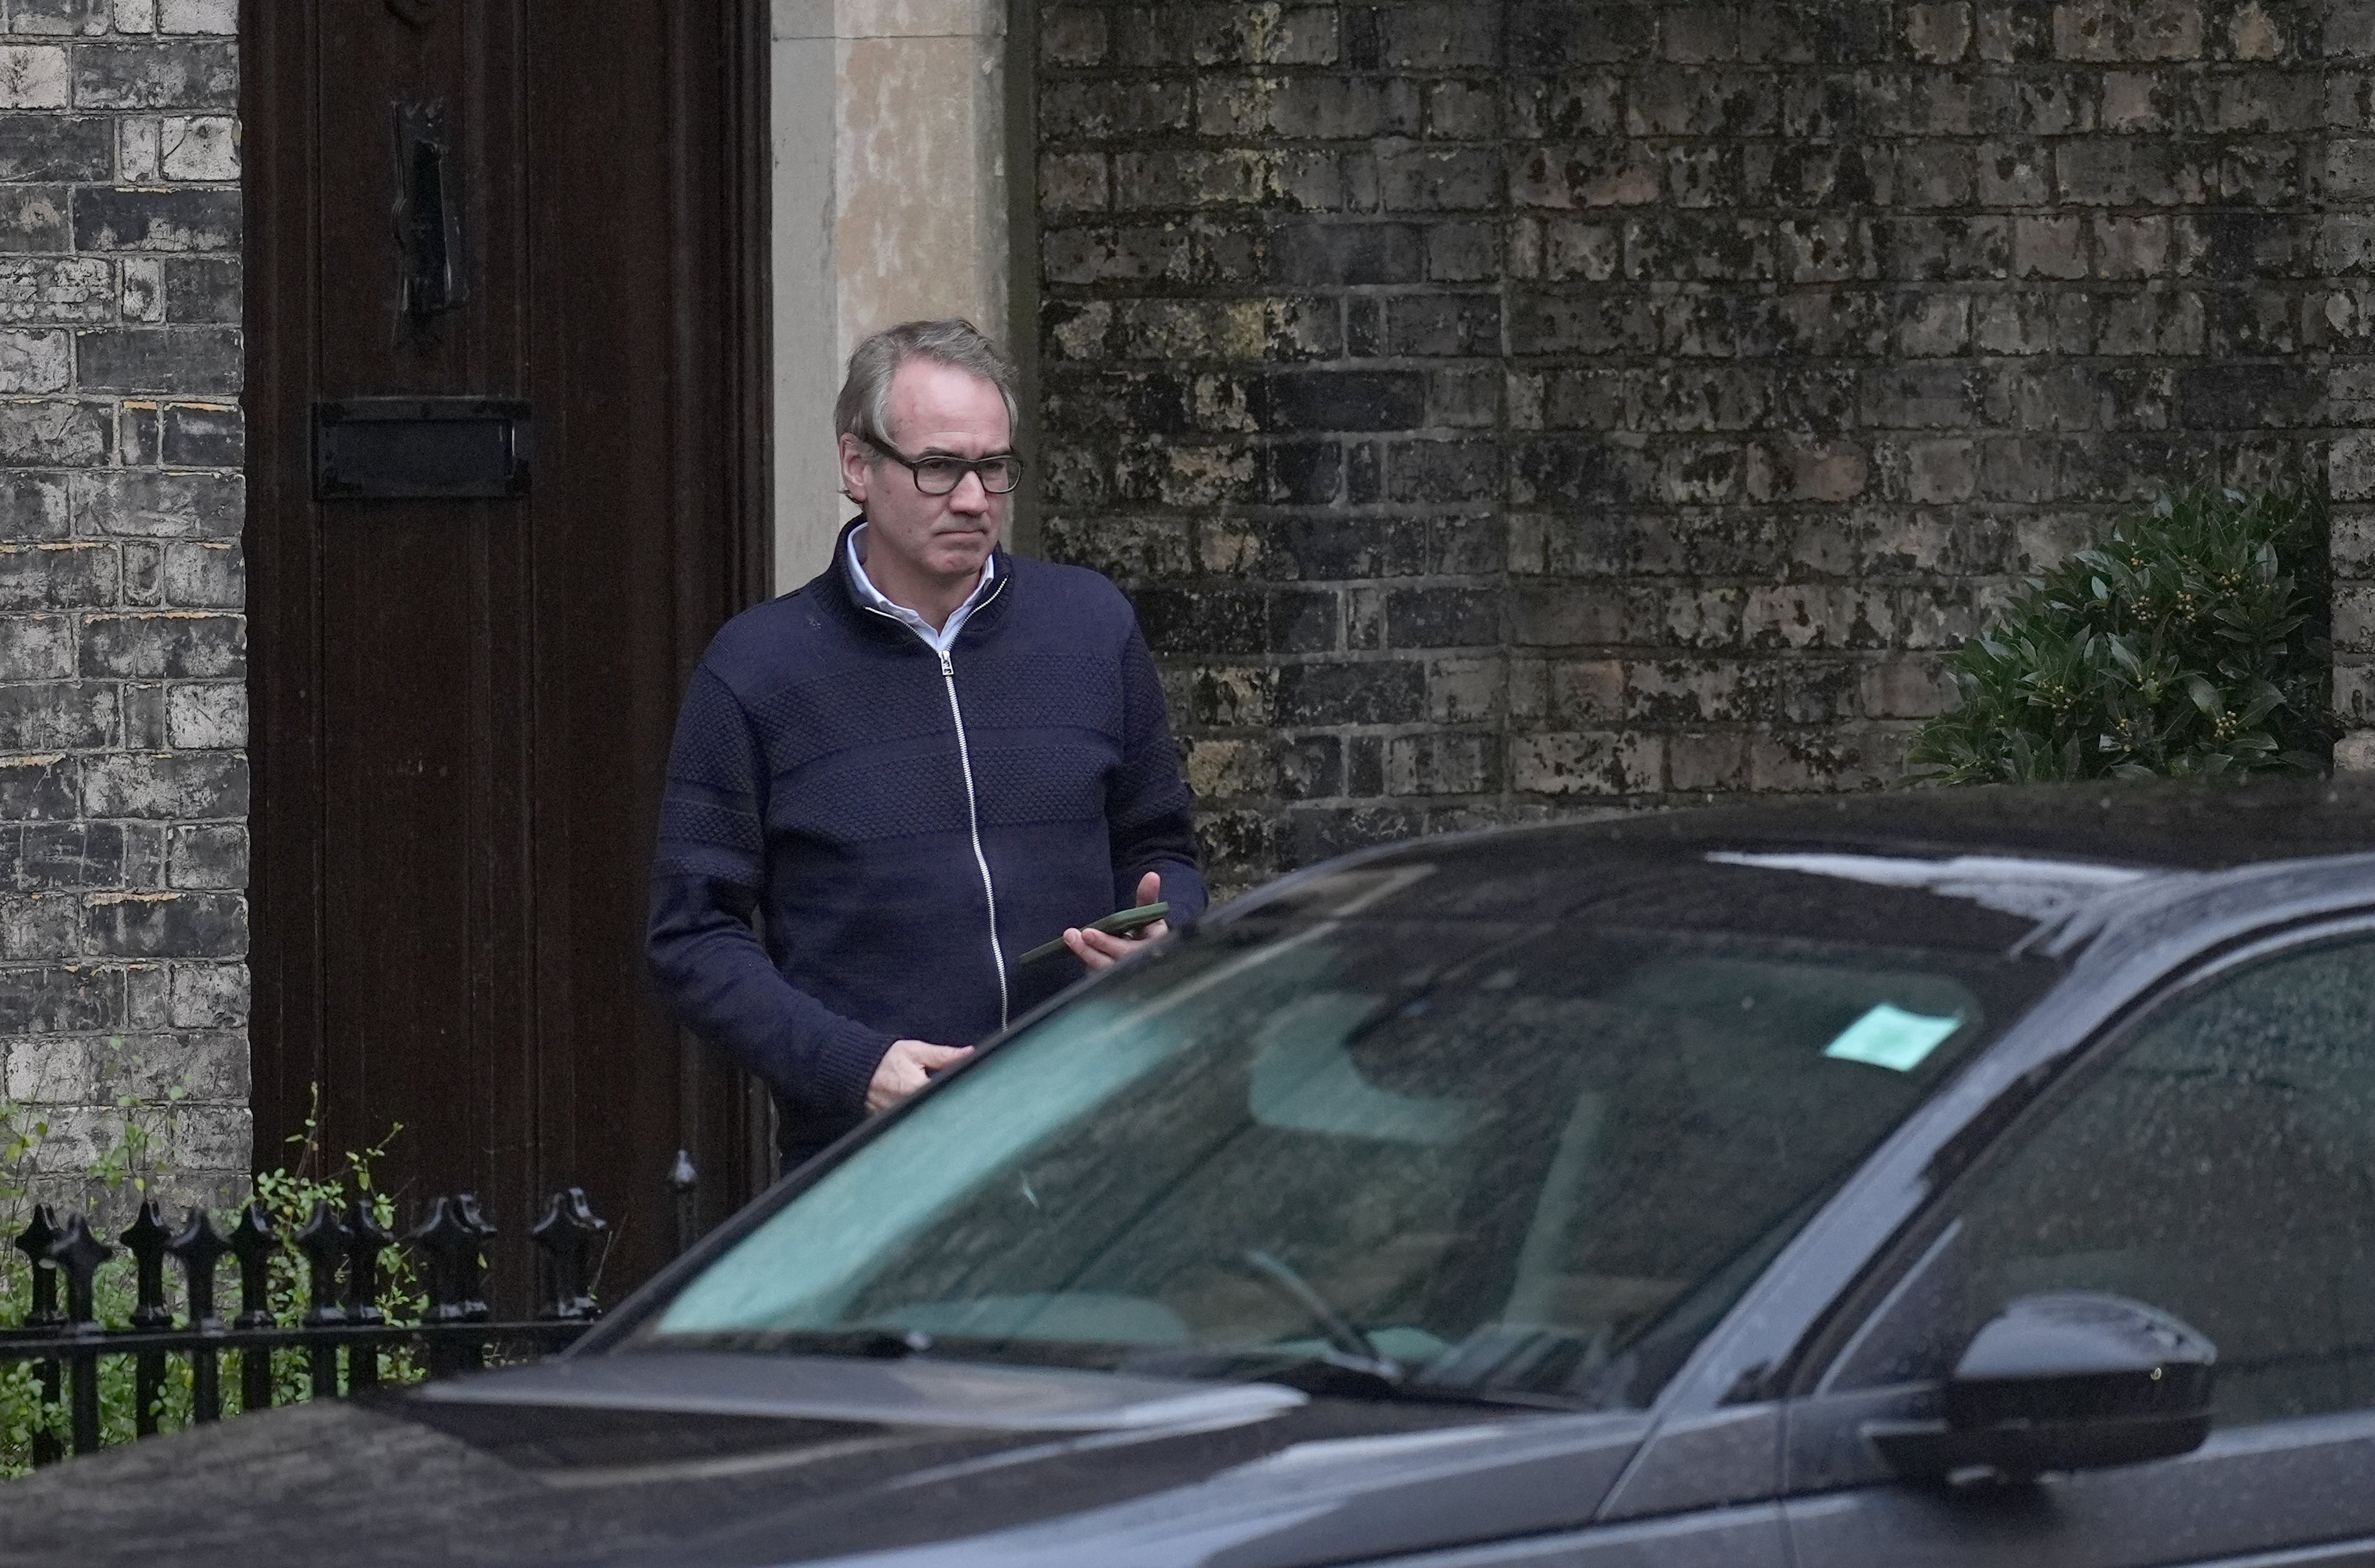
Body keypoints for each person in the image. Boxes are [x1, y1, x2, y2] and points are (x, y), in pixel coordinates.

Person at [647, 319, 1207, 1168]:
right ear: (856, 467)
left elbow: (1162, 847)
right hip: (874, 1162)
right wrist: (852, 1067)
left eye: (992, 467)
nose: (975, 499)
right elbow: (692, 936)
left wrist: (1165, 935)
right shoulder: (759, 670)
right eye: (940, 466)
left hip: (1096, 1135)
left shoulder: (1090, 627)